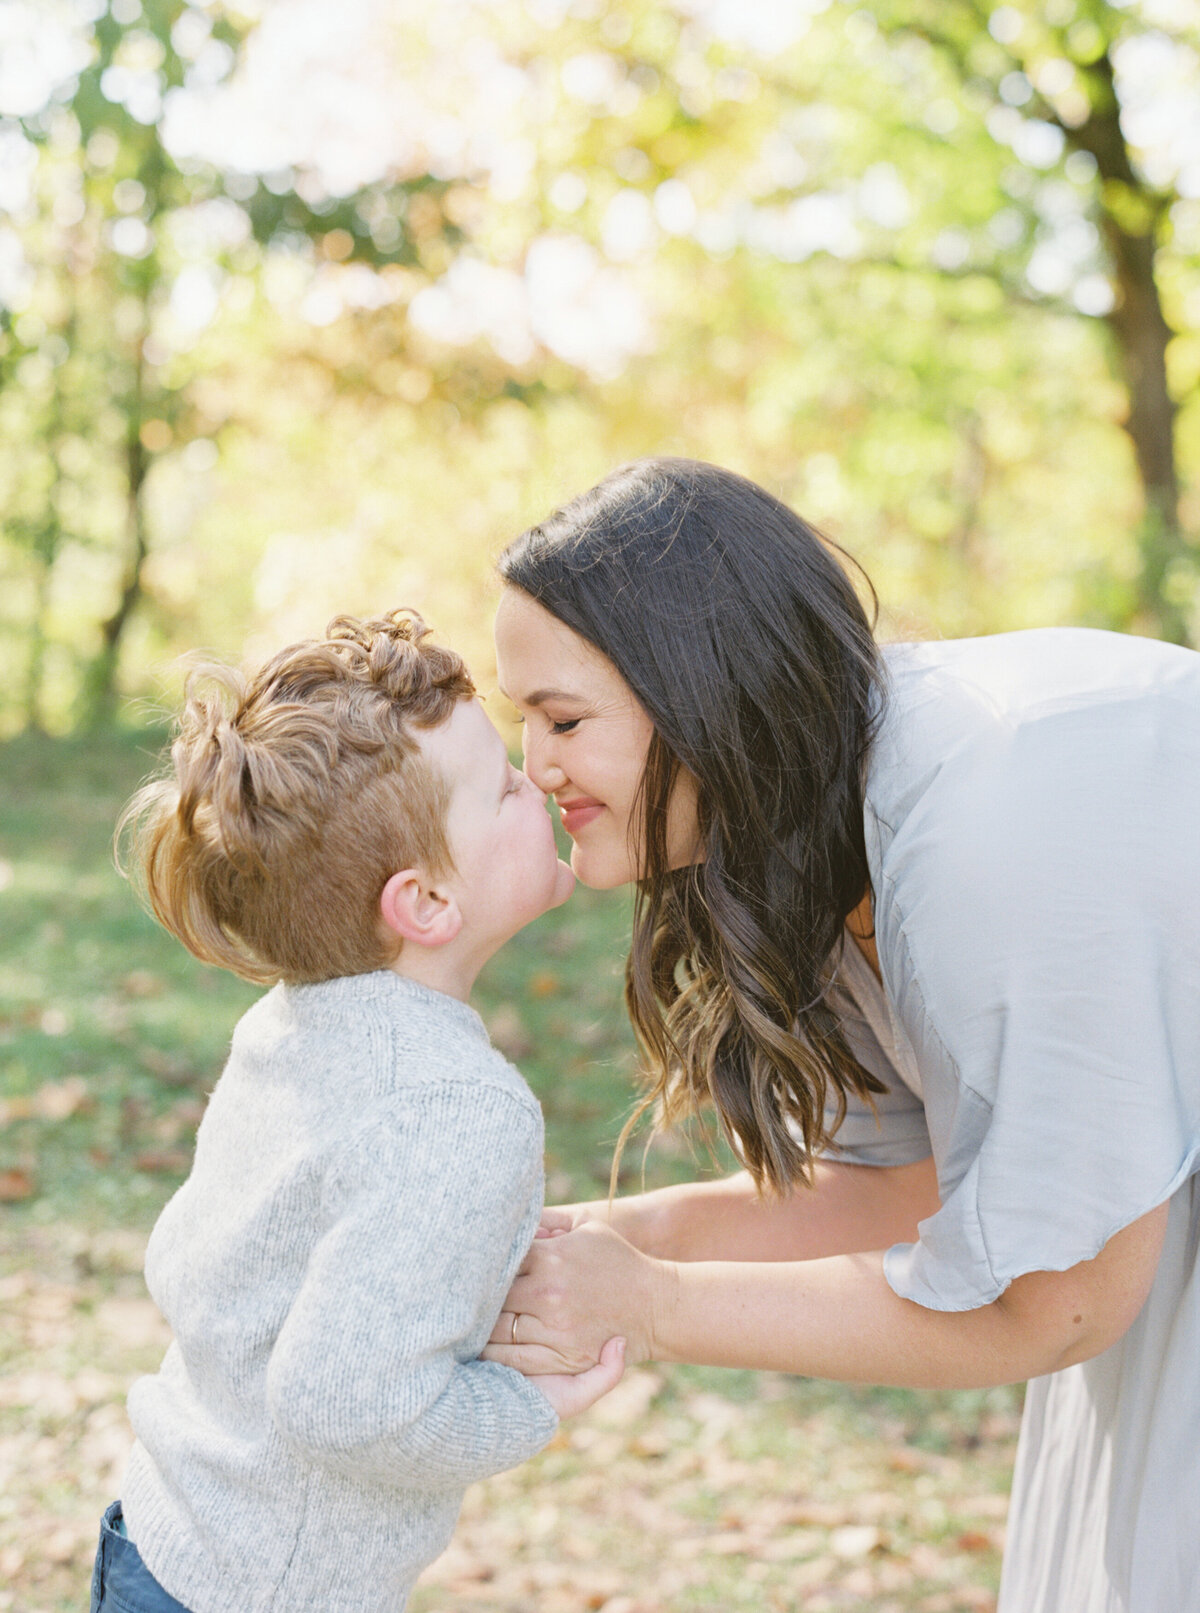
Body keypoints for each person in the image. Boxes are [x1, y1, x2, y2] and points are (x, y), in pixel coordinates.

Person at [482, 457, 1200, 1613]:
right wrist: (590, 1244)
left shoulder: (981, 833)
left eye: (564, 719)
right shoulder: (825, 835)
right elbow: (903, 1189)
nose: (539, 765)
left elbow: (1056, 1298)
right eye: (527, 723)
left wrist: (649, 1304)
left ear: (704, 687)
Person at [92, 610, 625, 1613]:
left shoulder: (295, 1023)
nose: (537, 778)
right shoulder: (458, 1107)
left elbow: (268, 1251)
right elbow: (347, 1405)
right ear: (423, 901)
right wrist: (530, 1403)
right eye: (504, 787)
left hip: (162, 1532)